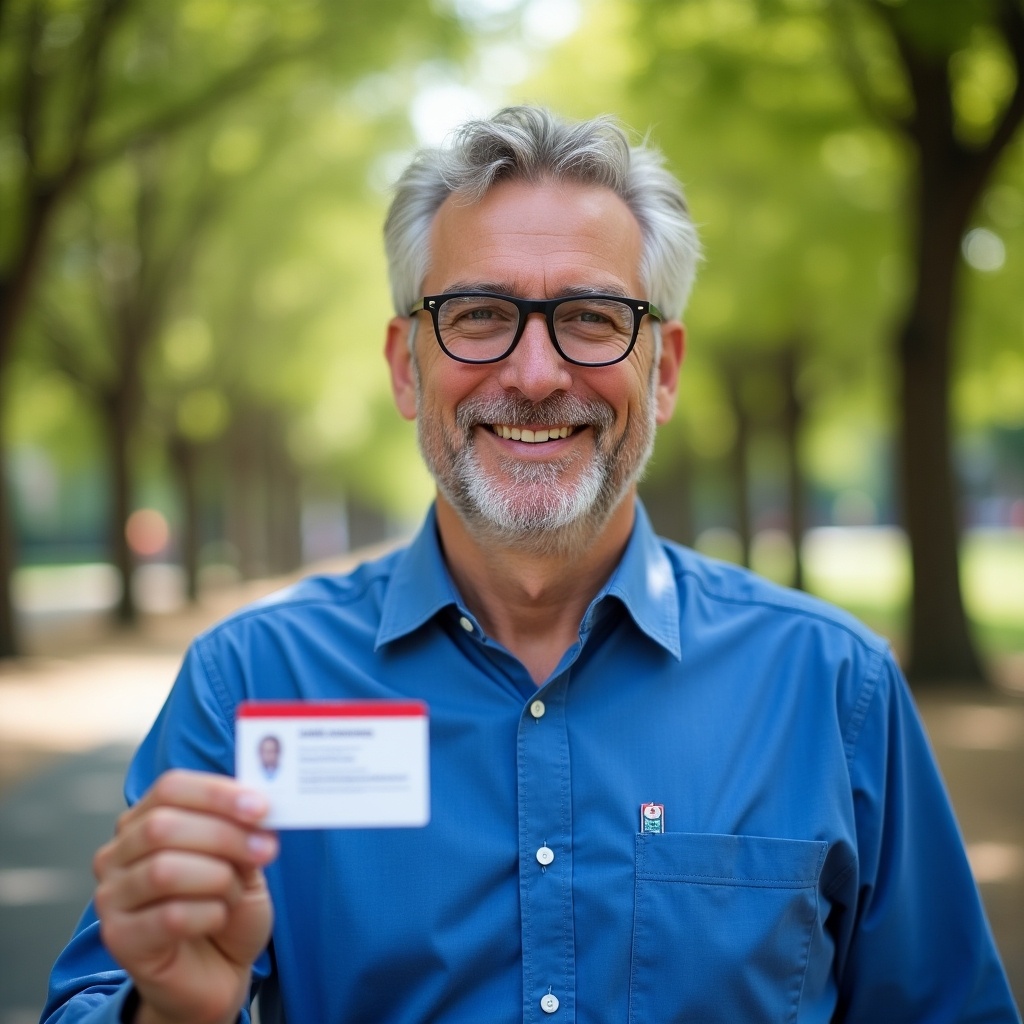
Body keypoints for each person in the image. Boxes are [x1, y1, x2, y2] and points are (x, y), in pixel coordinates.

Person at [42, 106, 1019, 1024]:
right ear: (403, 363)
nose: (537, 373)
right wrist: (167, 1009)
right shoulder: (249, 682)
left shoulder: (833, 688)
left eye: (592, 318)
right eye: (477, 314)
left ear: (664, 368)